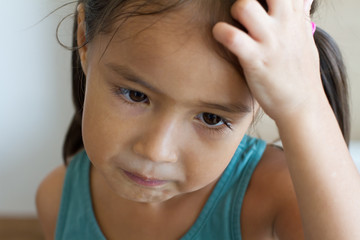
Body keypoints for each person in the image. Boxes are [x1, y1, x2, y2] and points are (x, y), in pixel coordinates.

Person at [36, 0, 360, 239]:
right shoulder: (56, 199)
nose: (156, 151)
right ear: (84, 38)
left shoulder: (278, 197)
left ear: (262, 102)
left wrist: (302, 102)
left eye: (211, 118)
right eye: (135, 95)